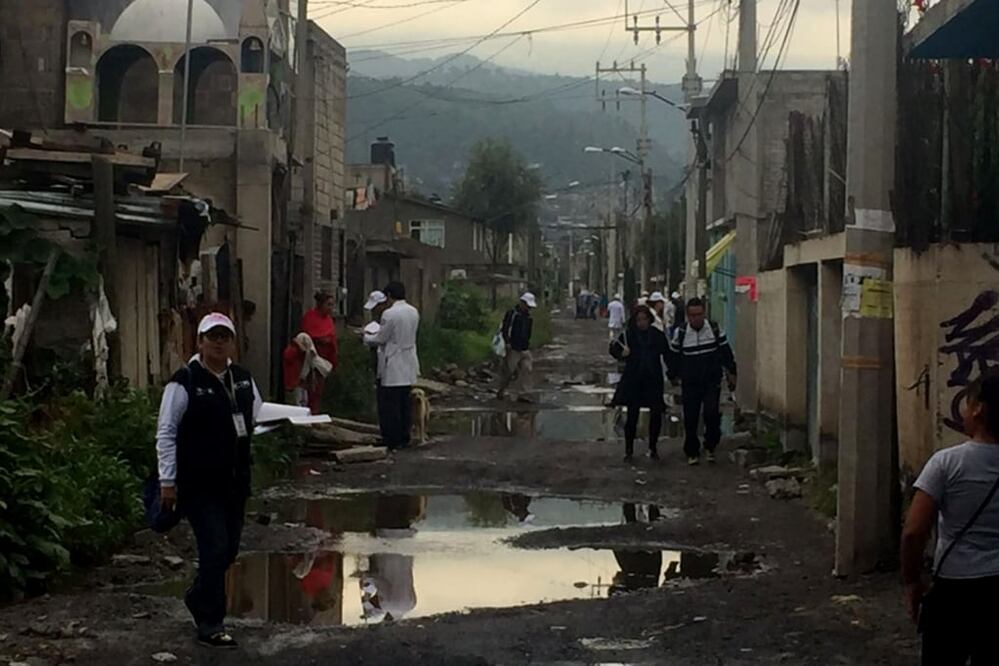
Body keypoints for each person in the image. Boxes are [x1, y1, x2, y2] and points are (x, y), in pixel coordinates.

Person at [155, 313, 262, 649]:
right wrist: (167, 481)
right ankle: (211, 623)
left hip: (235, 482)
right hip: (198, 485)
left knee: (228, 551)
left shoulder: (243, 379)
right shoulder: (184, 381)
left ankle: (197, 596)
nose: (218, 342)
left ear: (232, 342)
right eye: (211, 336)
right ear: (199, 341)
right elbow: (167, 432)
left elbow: (256, 416)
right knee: (214, 548)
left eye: (224, 336)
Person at [902, 369, 999, 665]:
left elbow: (914, 533)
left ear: (978, 409)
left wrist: (912, 581)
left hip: (954, 592)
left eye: (967, 403)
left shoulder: (946, 463)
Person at [666, 298, 737, 466]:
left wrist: (732, 372)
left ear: (703, 313)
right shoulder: (681, 333)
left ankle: (710, 445)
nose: (696, 319)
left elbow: (726, 353)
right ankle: (692, 451)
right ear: (687, 316)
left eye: (699, 315)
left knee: (711, 413)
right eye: (692, 315)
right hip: (690, 382)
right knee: (690, 418)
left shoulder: (714, 329)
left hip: (711, 381)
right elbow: (674, 357)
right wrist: (673, 375)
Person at [610, 305, 668, 462]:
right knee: (632, 416)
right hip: (634, 380)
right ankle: (629, 449)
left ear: (649, 319)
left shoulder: (657, 335)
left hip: (653, 379)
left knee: (656, 414)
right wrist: (622, 354)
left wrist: (673, 372)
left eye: (644, 319)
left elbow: (667, 353)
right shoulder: (629, 336)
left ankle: (653, 447)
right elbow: (614, 348)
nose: (642, 323)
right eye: (638, 320)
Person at [369, 282, 420, 451]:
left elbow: (381, 339)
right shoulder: (413, 311)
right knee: (404, 402)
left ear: (390, 295)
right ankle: (405, 436)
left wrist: (365, 337)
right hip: (408, 360)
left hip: (392, 362)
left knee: (389, 405)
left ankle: (392, 438)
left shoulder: (389, 314)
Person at [300, 292, 339, 414]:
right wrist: (321, 339)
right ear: (321, 304)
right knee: (311, 389)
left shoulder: (328, 320)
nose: (331, 308)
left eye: (332, 305)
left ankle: (316, 412)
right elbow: (307, 336)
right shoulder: (310, 317)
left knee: (319, 390)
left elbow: (332, 337)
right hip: (312, 359)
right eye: (328, 305)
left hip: (326, 359)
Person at [497, 292, 537, 403]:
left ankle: (525, 393)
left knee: (527, 369)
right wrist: (507, 343)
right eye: (527, 305)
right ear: (522, 303)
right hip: (513, 347)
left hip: (524, 348)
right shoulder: (512, 314)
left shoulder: (528, 317)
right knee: (509, 371)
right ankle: (502, 390)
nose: (528, 308)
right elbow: (506, 329)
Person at [281, 333, 332, 409]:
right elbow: (288, 357)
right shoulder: (292, 351)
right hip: (294, 384)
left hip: (301, 383)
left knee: (304, 401)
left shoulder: (304, 355)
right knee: (298, 403)